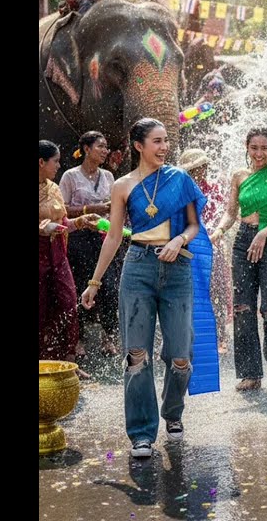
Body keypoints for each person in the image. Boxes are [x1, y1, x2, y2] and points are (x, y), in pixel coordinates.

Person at [80, 119, 207, 458]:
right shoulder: (122, 186)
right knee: (136, 355)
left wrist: (179, 238)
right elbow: (113, 235)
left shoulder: (179, 179)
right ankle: (141, 433)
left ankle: (173, 412)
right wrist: (94, 281)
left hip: (177, 266)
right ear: (138, 145)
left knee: (181, 356)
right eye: (156, 141)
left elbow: (195, 225)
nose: (164, 147)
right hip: (137, 268)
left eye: (165, 141)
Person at [209, 128, 267, 392]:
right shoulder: (239, 176)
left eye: (264, 148)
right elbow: (230, 212)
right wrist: (218, 231)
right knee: (242, 308)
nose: (259, 153)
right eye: (254, 148)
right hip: (242, 242)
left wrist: (263, 234)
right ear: (247, 148)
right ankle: (250, 373)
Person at [59, 131, 122, 359]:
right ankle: (79, 339)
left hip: (104, 237)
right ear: (86, 149)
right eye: (101, 147)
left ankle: (108, 336)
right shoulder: (70, 176)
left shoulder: (108, 176)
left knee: (110, 286)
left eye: (106, 147)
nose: (105, 151)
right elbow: (62, 209)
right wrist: (91, 210)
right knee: (80, 284)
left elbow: (115, 206)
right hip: (79, 238)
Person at [39, 141, 100, 374]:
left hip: (57, 258)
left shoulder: (53, 188)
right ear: (41, 162)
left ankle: (68, 363)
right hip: (40, 259)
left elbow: (62, 225)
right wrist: (42, 230)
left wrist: (83, 222)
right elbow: (47, 227)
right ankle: (44, 367)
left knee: (67, 305)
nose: (58, 165)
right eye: (55, 161)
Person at [179, 148, 232, 355]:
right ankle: (188, 336)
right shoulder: (180, 193)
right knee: (187, 294)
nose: (201, 172)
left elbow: (222, 216)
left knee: (216, 291)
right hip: (186, 249)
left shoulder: (214, 190)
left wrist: (215, 235)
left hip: (211, 248)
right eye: (195, 169)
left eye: (202, 167)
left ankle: (220, 336)